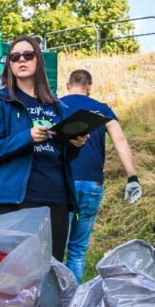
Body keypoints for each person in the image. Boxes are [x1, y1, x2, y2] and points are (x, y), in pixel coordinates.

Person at [0, 36, 87, 261]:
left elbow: (63, 155)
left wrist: (76, 145)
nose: (21, 60)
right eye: (15, 56)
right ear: (9, 64)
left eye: (28, 55)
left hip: (57, 201)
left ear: (38, 60)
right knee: (12, 277)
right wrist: (27, 137)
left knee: (50, 275)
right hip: (15, 202)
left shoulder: (59, 107)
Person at [60, 69, 141, 281]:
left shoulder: (56, 106)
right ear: (89, 87)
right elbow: (120, 141)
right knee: (77, 248)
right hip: (92, 184)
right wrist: (132, 177)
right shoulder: (101, 109)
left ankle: (55, 303)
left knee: (57, 248)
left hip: (62, 183)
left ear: (68, 86)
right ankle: (73, 303)